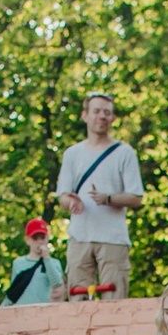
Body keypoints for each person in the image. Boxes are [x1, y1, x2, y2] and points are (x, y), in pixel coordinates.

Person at [56, 92, 143, 298]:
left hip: (113, 238)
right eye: (96, 111)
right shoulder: (72, 154)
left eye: (107, 113)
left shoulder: (124, 152)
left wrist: (109, 199)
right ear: (85, 115)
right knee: (78, 301)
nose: (102, 117)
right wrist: (71, 202)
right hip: (80, 237)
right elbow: (62, 197)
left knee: (114, 304)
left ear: (113, 119)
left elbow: (136, 197)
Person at [3, 218, 61, 306]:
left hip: (43, 311)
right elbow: (14, 291)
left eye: (42, 237)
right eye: (35, 238)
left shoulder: (54, 263)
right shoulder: (18, 263)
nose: (39, 241)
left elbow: (56, 282)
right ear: (28, 240)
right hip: (21, 311)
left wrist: (46, 258)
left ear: (47, 238)